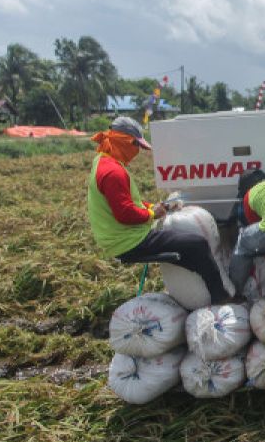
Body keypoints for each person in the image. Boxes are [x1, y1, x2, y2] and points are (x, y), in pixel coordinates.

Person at [87, 116, 231, 303]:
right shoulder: (114, 172)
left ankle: (205, 289)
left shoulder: (102, 162)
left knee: (188, 251)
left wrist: (152, 206)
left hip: (118, 238)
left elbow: (127, 202)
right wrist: (153, 214)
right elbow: (126, 214)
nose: (137, 152)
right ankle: (220, 297)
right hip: (129, 240)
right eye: (136, 146)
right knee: (198, 244)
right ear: (126, 142)